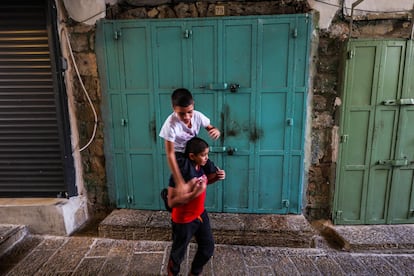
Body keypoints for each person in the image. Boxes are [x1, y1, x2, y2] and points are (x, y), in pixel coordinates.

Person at [166, 137, 225, 276]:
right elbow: (172, 202)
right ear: (192, 156)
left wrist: (216, 177)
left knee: (207, 248)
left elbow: (203, 182)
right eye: (203, 155)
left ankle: (194, 273)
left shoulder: (202, 166)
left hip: (199, 214)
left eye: (207, 154)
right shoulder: (180, 172)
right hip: (183, 219)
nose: (206, 158)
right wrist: (194, 194)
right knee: (178, 255)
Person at [159, 88, 221, 197]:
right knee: (192, 181)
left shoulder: (198, 115)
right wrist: (179, 182)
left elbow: (210, 127)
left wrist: (216, 131)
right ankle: (170, 197)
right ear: (174, 108)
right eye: (181, 113)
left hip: (193, 149)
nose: (187, 117)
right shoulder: (170, 125)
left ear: (193, 105)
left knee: (214, 172)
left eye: (189, 112)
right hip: (180, 154)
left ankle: (195, 202)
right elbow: (170, 154)